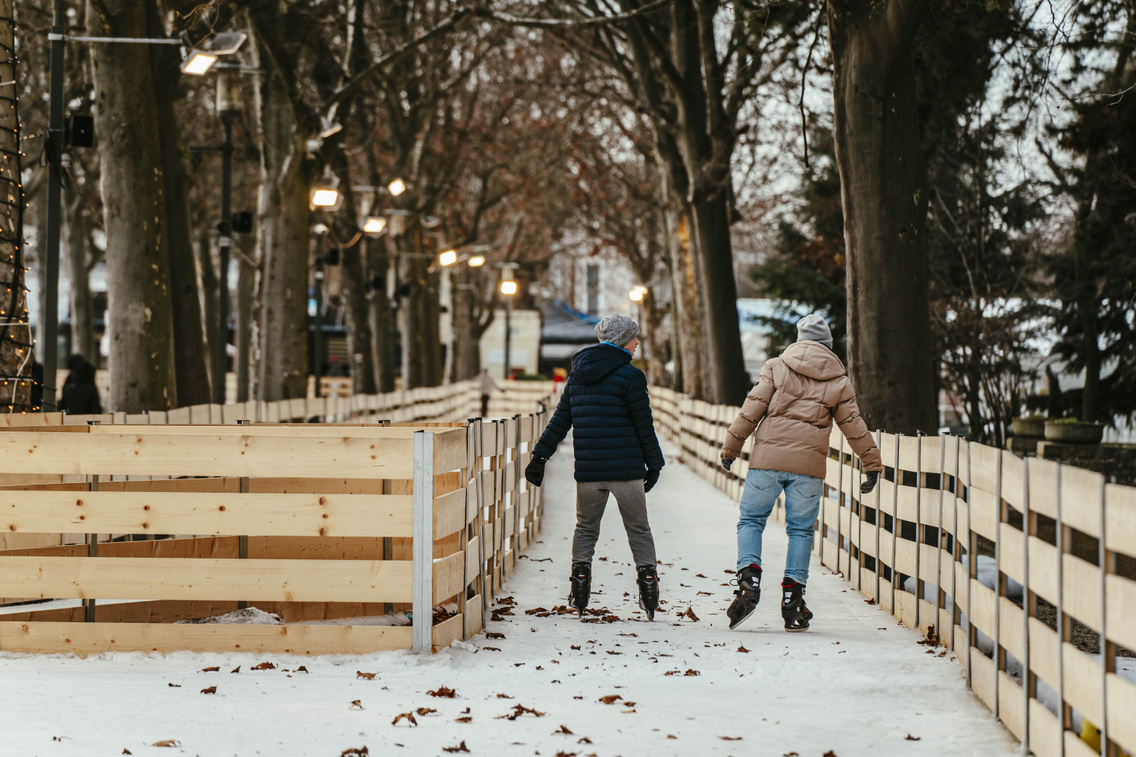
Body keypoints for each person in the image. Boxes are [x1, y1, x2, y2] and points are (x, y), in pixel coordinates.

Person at [719, 313, 883, 632]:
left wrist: (730, 447)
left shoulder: (776, 366)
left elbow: (751, 409)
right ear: (827, 345)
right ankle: (793, 598)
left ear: (798, 340)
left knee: (751, 519)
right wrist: (872, 463)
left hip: (767, 459)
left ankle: (749, 576)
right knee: (801, 531)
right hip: (808, 467)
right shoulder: (838, 380)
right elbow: (854, 426)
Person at [525, 313, 665, 619]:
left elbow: (560, 420)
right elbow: (644, 425)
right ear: (621, 341)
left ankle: (580, 586)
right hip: (626, 472)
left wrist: (539, 457)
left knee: (586, 529)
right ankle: (649, 589)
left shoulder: (577, 376)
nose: (638, 343)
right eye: (634, 338)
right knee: (639, 530)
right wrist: (654, 464)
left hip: (589, 472)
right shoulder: (631, 377)